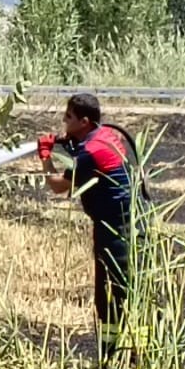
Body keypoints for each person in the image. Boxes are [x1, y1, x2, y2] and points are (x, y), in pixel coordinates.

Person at [40, 92, 140, 348]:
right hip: (133, 222)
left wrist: (45, 157)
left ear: (84, 121)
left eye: (69, 116)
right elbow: (84, 155)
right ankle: (131, 353)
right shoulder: (108, 135)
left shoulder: (91, 152)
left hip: (114, 230)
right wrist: (68, 141)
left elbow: (58, 187)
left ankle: (113, 357)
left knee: (110, 296)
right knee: (129, 291)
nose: (64, 120)